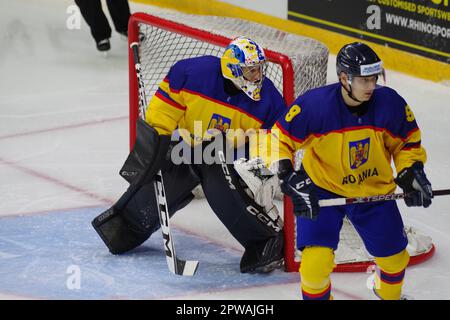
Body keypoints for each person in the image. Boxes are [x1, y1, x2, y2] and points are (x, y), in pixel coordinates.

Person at [92, 37, 287, 273]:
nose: (258, 76)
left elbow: (275, 140)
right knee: (167, 172)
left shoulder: (270, 100)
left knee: (220, 175)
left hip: (232, 158)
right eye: (251, 70)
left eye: (259, 69)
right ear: (233, 70)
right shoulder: (193, 74)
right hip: (186, 146)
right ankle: (128, 225)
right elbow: (162, 114)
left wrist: (255, 163)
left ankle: (264, 241)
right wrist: (156, 148)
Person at [259, 42, 432, 299]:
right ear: (343, 78)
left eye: (374, 78)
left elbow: (408, 143)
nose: (371, 86)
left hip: (373, 191)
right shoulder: (315, 106)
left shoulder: (391, 104)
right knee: (314, 268)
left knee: (395, 260)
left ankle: (388, 294)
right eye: (364, 80)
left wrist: (410, 171)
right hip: (321, 190)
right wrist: (288, 176)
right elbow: (275, 140)